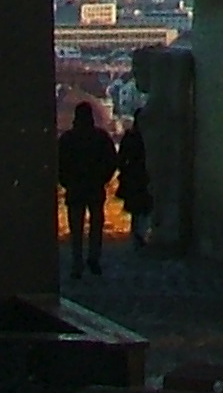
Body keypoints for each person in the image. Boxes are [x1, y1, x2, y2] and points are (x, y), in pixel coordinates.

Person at [56, 100, 119, 279]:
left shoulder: (68, 139)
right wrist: (102, 179)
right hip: (94, 187)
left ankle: (77, 263)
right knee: (96, 226)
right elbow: (111, 161)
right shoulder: (100, 137)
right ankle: (94, 258)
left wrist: (66, 181)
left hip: (75, 188)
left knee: (76, 230)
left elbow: (59, 163)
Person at [115, 114, 153, 253]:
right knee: (145, 208)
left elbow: (120, 160)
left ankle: (138, 236)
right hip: (145, 177)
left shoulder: (130, 138)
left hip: (134, 178)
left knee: (137, 210)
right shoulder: (152, 138)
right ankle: (142, 236)